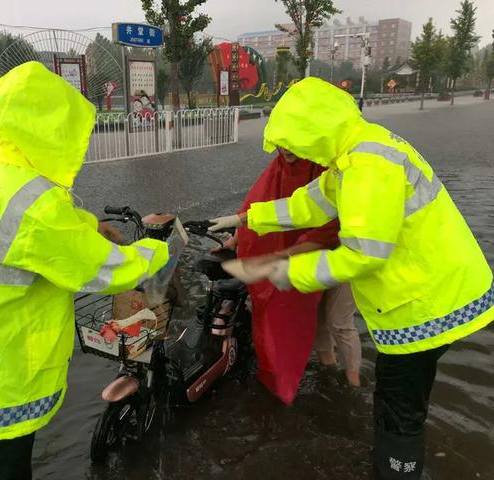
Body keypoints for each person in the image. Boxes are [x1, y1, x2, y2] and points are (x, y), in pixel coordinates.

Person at [210, 77, 494, 479]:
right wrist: (246, 218)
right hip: (430, 292)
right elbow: (310, 203)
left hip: (425, 303)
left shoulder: (367, 164)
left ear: (313, 129)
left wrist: (284, 271)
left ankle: (397, 471)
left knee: (399, 410)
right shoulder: (355, 150)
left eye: (293, 141)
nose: (291, 152)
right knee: (397, 400)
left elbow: (364, 254)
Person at [0, 61, 169, 480]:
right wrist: (156, 251)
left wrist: (90, 224)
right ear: (48, 129)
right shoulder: (36, 205)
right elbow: (101, 268)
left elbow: (36, 231)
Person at [213, 151, 361, 390]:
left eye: (291, 145)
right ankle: (329, 369)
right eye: (281, 145)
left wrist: (276, 258)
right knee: (319, 321)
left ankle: (353, 384)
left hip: (347, 253)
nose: (287, 150)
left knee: (340, 322)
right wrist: (237, 235)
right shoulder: (278, 169)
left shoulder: (327, 166)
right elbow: (262, 203)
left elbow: (327, 229)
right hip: (310, 258)